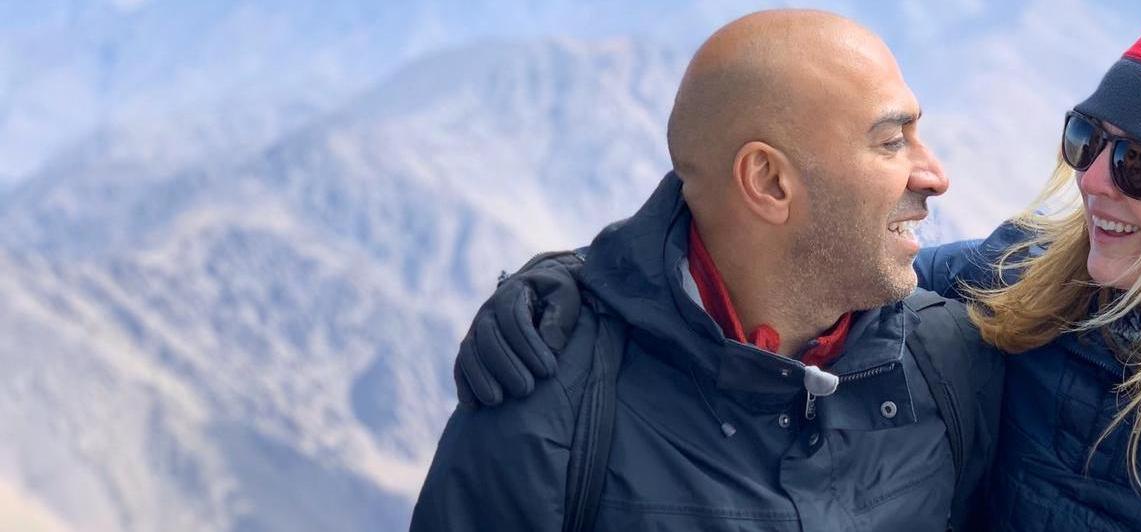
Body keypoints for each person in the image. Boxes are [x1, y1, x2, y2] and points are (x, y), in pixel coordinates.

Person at [455, 1, 1141, 530]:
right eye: (1086, 137)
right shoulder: (1019, 290)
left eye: (1136, 165)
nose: (1091, 179)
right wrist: (577, 287)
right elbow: (795, 273)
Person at [410, 9, 1003, 532]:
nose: (935, 175)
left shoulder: (950, 362)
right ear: (769, 182)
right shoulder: (547, 397)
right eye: (891, 141)